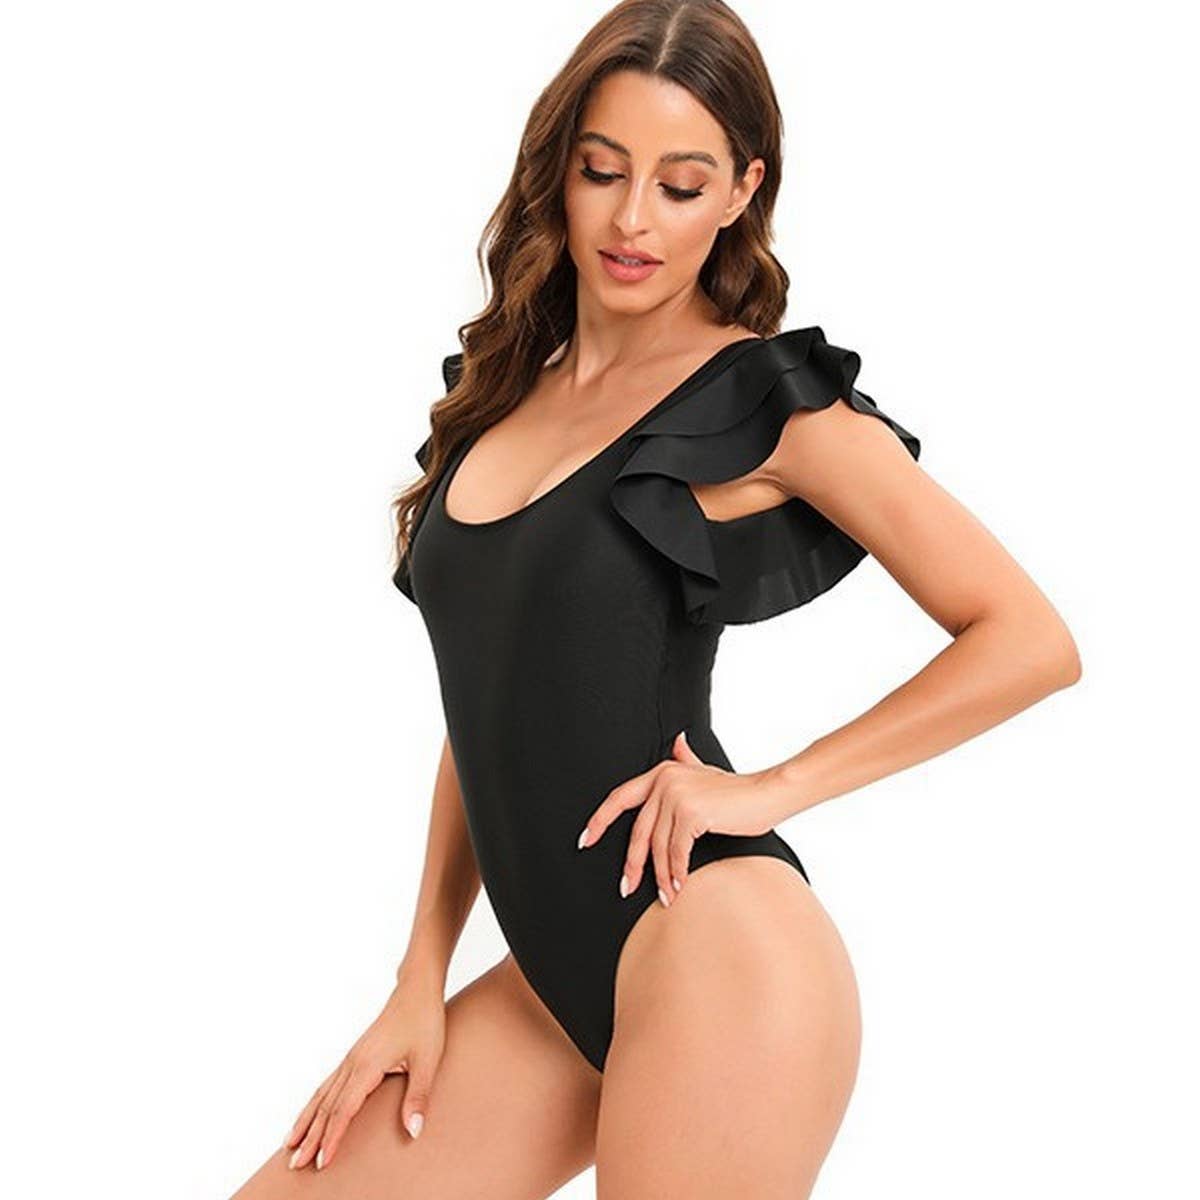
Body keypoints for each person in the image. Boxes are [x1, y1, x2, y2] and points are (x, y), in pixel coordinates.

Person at [232, 2, 1081, 1196]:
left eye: (681, 186)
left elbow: (1029, 639)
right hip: (548, 985)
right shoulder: (503, 393)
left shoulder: (764, 399)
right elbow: (492, 698)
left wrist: (771, 786)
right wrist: (419, 972)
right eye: (603, 171)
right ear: (559, 170)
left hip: (719, 950)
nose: (633, 220)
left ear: (741, 191)